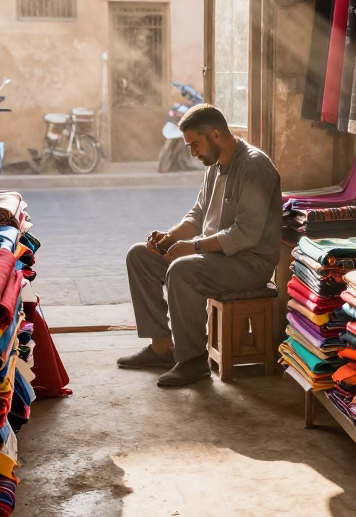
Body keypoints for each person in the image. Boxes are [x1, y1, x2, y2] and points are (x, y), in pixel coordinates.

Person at [118, 104, 282, 387]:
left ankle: (193, 361)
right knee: (139, 256)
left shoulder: (255, 166)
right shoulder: (214, 165)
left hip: (248, 264)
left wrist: (193, 248)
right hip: (213, 258)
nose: (192, 152)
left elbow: (245, 234)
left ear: (215, 135)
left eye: (195, 144)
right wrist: (169, 238)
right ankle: (161, 348)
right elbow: (197, 215)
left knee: (183, 270)